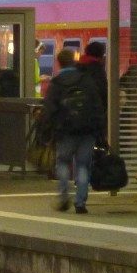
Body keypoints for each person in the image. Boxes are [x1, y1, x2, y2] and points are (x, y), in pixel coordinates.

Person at [39, 47, 104, 214]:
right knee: (83, 165)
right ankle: (80, 202)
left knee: (62, 162)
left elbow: (50, 109)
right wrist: (99, 129)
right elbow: (97, 105)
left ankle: (63, 196)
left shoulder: (57, 83)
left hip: (65, 130)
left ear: (58, 63)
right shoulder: (86, 80)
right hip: (87, 130)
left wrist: (46, 131)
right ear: (74, 62)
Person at [76, 41, 109, 144]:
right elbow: (102, 94)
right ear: (101, 55)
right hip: (92, 119)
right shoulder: (97, 69)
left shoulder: (76, 68)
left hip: (74, 118)